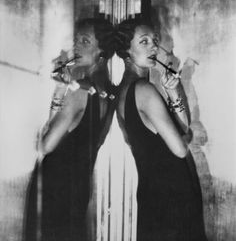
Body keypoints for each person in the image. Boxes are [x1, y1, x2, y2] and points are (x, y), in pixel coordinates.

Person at [23, 18, 116, 241]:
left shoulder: (79, 94)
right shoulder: (107, 93)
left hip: (55, 188)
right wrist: (61, 88)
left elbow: (45, 145)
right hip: (78, 187)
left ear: (101, 52)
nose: (76, 46)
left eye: (85, 41)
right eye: (76, 40)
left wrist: (58, 94)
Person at [115, 18, 208, 241]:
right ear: (127, 49)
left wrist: (174, 93)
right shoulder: (144, 90)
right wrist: (183, 137)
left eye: (155, 41)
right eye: (144, 41)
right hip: (172, 197)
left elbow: (182, 131)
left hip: (151, 195)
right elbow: (180, 148)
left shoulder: (122, 91)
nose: (154, 47)